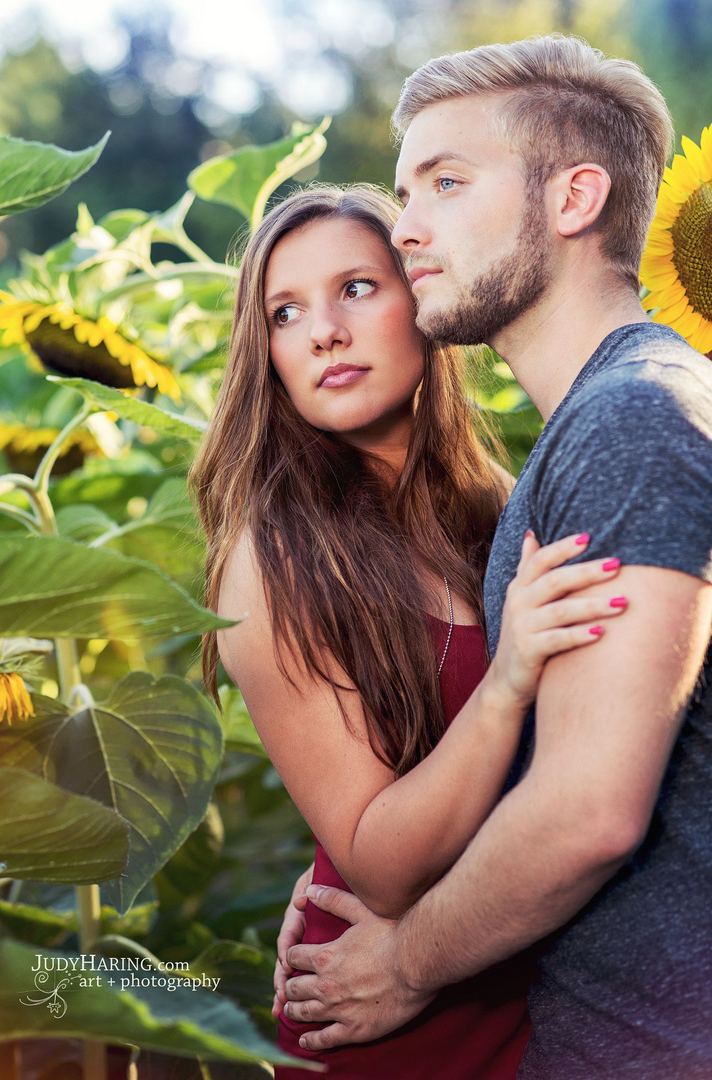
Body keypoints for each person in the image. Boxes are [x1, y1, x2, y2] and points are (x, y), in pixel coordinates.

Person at [279, 34, 712, 1080]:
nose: (406, 228)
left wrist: (405, 962)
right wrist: (371, 866)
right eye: (402, 189)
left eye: (445, 182)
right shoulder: (583, 432)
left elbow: (590, 810)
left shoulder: (633, 420)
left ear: (573, 199)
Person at [188, 182, 629, 1080]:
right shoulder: (273, 565)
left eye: (356, 287)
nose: (324, 332)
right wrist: (508, 680)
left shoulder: (501, 508)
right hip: (385, 1018)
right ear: (264, 352)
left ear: (421, 299)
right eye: (285, 312)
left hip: (539, 981)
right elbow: (380, 870)